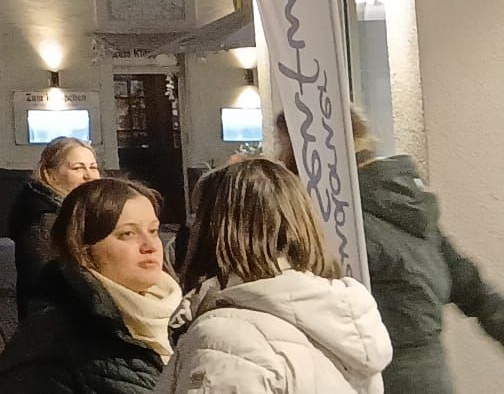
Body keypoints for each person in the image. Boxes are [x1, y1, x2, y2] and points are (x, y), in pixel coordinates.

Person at [276, 111, 504, 391]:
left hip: (380, 380)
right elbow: (474, 289)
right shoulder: (407, 205)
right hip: (431, 378)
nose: (278, 158)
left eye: (282, 146)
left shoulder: (335, 221)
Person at [160, 158, 391, 393]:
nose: (190, 227)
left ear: (214, 228)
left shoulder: (227, 338)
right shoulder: (345, 320)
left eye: (197, 215)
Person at [0, 178, 180, 394]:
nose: (150, 246)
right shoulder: (47, 346)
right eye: (127, 234)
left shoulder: (180, 317)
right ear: (83, 249)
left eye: (154, 230)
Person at [9, 137, 101, 318]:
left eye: (93, 167)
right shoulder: (46, 221)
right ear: (50, 174)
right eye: (78, 168)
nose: (89, 175)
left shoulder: (78, 211)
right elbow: (43, 287)